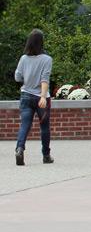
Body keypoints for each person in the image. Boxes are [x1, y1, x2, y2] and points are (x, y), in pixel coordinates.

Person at [14, 29, 53, 166]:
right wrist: (42, 96)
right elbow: (45, 79)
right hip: (42, 98)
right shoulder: (47, 59)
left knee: (25, 124)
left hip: (25, 96)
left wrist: (28, 75)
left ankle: (19, 149)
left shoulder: (23, 59)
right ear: (41, 42)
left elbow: (17, 77)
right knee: (44, 127)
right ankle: (46, 155)